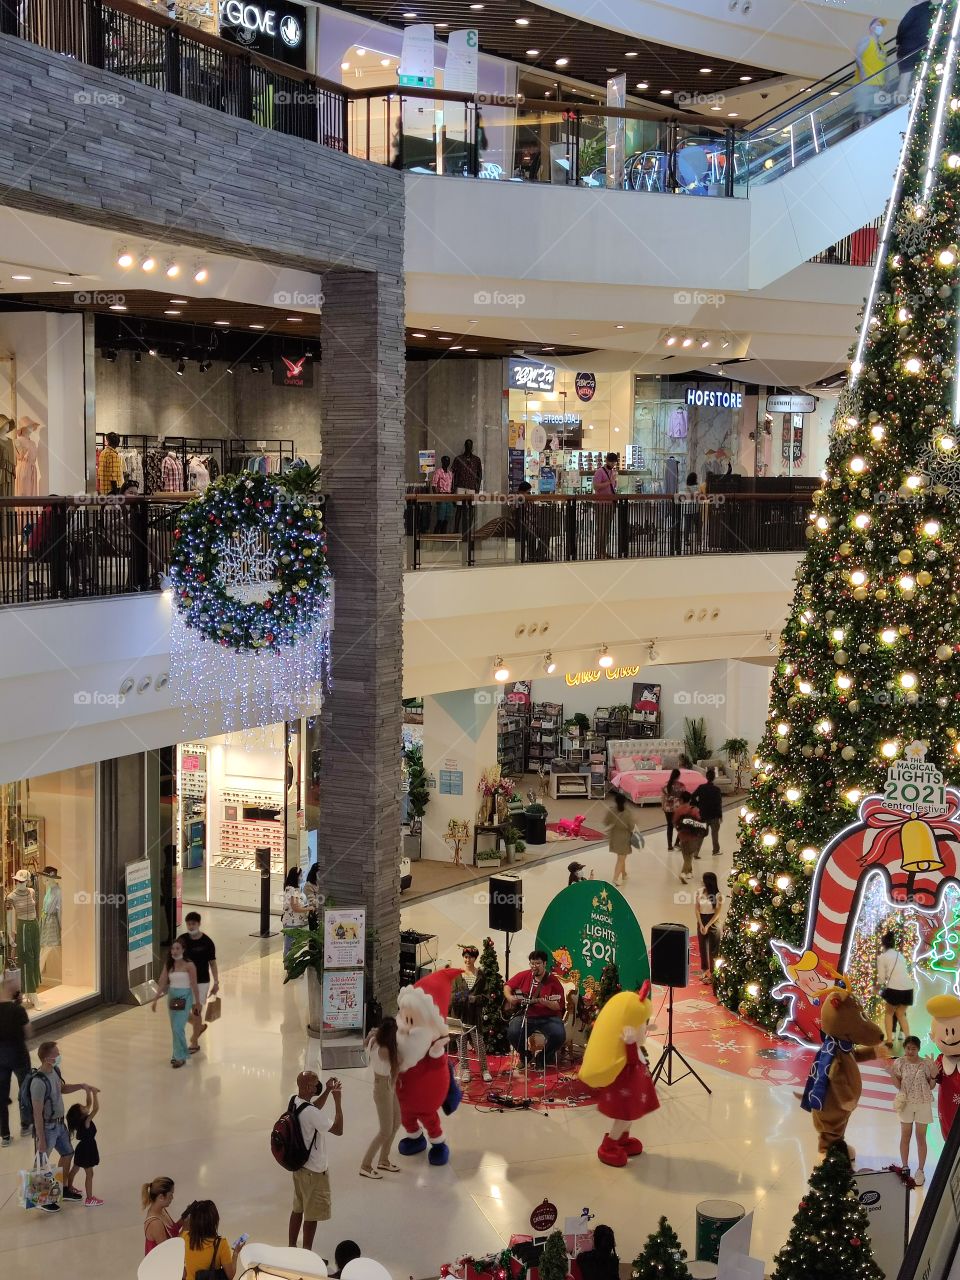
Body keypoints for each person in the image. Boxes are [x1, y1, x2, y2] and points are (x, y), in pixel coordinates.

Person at [30, 1039, 97, 1208]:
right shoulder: (38, 1082)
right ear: (47, 1058)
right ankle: (42, 1199)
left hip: (60, 1124)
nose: (59, 1056)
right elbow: (37, 1113)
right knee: (42, 1159)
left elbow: (62, 1088)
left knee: (67, 1153)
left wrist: (81, 1086)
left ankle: (63, 1187)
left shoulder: (55, 1071)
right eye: (56, 1054)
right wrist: (41, 1139)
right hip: (47, 1126)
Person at [288, 1069, 344, 1250]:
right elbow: (338, 1129)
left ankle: (291, 1246)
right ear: (307, 1087)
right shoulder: (311, 1112)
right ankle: (307, 1255)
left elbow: (311, 1109)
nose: (317, 1086)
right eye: (315, 1084)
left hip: (299, 1168)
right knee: (311, 1216)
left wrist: (327, 1091)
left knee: (298, 1208)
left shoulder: (294, 1101)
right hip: (314, 1171)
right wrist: (337, 1101)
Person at [887, 1035, 937, 1185]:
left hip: (923, 1103)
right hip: (906, 1103)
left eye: (913, 1048)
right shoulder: (899, 1062)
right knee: (905, 1136)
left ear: (918, 1049)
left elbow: (931, 1086)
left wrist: (934, 1075)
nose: (910, 1051)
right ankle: (905, 1167)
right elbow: (898, 1085)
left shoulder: (926, 1064)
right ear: (904, 1048)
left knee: (921, 1138)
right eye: (908, 1048)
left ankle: (920, 1170)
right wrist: (891, 1074)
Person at [503, 950, 566, 1065]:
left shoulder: (553, 981)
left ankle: (542, 1058)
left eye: (537, 963)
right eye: (532, 963)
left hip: (548, 1017)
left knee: (559, 1035)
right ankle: (525, 1055)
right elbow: (507, 986)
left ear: (545, 964)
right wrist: (510, 998)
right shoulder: (524, 975)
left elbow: (559, 1005)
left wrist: (547, 1003)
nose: (534, 966)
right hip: (526, 1015)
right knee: (512, 1032)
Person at [360, 1017, 402, 1178]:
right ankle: (365, 1165)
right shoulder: (385, 1050)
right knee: (385, 1130)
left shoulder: (373, 1040)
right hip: (384, 1088)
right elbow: (400, 1062)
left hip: (387, 1085)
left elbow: (365, 1042)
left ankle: (384, 1159)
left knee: (396, 1122)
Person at [150, 940, 201, 1068]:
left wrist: (197, 1002)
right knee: (175, 1028)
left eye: (178, 948)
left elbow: (194, 984)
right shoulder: (169, 964)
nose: (175, 951)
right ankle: (177, 1054)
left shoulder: (189, 965)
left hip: (185, 996)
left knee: (178, 1027)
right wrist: (156, 998)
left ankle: (180, 1056)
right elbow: (162, 981)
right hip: (172, 996)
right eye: (173, 949)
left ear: (183, 950)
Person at [177, 911, 219, 1055]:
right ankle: (199, 1026)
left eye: (193, 923)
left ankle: (194, 1042)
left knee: (196, 1011)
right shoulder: (182, 940)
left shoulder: (207, 942)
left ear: (199, 924)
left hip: (202, 982)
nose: (190, 926)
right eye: (188, 924)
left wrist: (216, 982)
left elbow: (212, 963)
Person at [450, 945, 492, 1084]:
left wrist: (476, 998)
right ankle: (465, 1070)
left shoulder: (480, 975)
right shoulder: (457, 975)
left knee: (479, 1042)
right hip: (460, 1014)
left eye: (470, 957)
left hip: (474, 1015)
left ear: (475, 958)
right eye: (466, 957)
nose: (468, 960)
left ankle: (484, 1070)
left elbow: (486, 996)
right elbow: (451, 995)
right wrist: (459, 997)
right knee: (461, 1043)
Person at [0, 976, 30, 1146]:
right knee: (24, 1090)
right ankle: (25, 1125)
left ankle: (4, 1134)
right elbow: (29, 1032)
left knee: (1, 1095)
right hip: (18, 1055)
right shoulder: (18, 1010)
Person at [181, 1199, 238, 1280]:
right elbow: (230, 1275)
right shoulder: (221, 1243)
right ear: (214, 1220)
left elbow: (174, 1256)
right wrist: (235, 1253)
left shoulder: (185, 1237)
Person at [65, 1089, 102, 1206]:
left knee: (75, 1169)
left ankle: (69, 1187)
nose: (86, 1107)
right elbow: (95, 1108)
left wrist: (88, 1092)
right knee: (89, 1174)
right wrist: (95, 1094)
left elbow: (89, 1104)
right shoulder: (86, 1121)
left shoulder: (80, 1121)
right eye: (83, 1108)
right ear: (81, 1115)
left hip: (82, 1149)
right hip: (87, 1150)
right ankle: (90, 1199)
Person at [878, 931, 914, 1046]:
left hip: (894, 988)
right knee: (901, 1013)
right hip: (908, 989)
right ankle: (909, 1039)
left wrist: (878, 986)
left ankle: (889, 1041)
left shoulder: (882, 957)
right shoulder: (900, 955)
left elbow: (882, 979)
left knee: (889, 1013)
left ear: (883, 945)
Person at [854, 17, 889, 128]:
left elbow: (885, 65)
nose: (880, 27)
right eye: (877, 25)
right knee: (863, 109)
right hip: (865, 83)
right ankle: (861, 128)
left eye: (881, 26)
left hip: (879, 85)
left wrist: (886, 81)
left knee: (876, 112)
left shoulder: (882, 46)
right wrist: (863, 73)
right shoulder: (867, 40)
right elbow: (858, 56)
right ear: (871, 28)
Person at [896, 1, 933, 101]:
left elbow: (902, 27)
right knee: (918, 78)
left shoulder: (915, 10)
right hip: (923, 49)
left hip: (907, 50)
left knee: (905, 78)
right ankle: (916, 101)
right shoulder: (933, 11)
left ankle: (901, 103)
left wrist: (898, 43)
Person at [603, 792, 636, 887]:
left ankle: (624, 874)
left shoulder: (611, 811)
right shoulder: (627, 813)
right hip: (624, 837)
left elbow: (606, 822)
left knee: (621, 857)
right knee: (621, 858)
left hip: (614, 836)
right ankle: (615, 878)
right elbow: (632, 826)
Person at [695, 872, 723, 981]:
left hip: (713, 921)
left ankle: (713, 972)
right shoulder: (699, 892)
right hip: (701, 920)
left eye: (703, 879)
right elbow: (697, 909)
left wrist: (708, 925)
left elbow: (717, 913)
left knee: (713, 949)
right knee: (702, 947)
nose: (701, 881)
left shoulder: (718, 895)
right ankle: (705, 970)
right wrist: (701, 924)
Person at [143, 1176, 182, 1255]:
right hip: (159, 1264)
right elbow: (168, 1251)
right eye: (171, 1195)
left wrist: (184, 1219)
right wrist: (186, 1230)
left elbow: (173, 1231)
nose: (172, 1198)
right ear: (161, 1197)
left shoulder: (162, 1210)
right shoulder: (155, 1223)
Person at [674, 791, 706, 884]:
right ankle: (683, 873)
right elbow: (698, 820)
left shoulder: (678, 810)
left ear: (681, 800)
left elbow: (675, 822)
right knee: (690, 855)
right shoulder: (694, 809)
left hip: (682, 835)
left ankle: (689, 872)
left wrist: (680, 830)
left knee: (685, 854)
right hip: (693, 835)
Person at [691, 767, 724, 856]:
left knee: (701, 834)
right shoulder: (717, 790)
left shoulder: (701, 788)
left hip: (703, 814)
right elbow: (718, 803)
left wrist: (698, 805)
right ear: (714, 778)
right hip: (714, 815)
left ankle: (696, 852)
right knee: (715, 834)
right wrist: (720, 815)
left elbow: (692, 797)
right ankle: (715, 851)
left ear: (706, 777)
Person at [452, 439, 483, 533]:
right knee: (459, 508)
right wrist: (453, 488)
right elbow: (453, 474)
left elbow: (480, 475)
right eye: (467, 445)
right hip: (460, 486)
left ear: (472, 447)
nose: (468, 447)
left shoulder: (476, 459)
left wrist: (477, 487)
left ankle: (469, 530)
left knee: (471, 507)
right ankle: (456, 530)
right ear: (465, 446)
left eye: (470, 445)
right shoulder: (458, 459)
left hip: (471, 486)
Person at [592, 452, 618, 558]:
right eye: (611, 462)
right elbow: (596, 487)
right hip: (601, 504)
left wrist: (613, 483)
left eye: (614, 462)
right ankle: (599, 552)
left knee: (607, 529)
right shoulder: (599, 472)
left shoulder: (612, 472)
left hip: (610, 504)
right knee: (601, 529)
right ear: (607, 461)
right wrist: (609, 482)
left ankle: (603, 550)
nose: (612, 464)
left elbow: (613, 485)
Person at [282, 867, 309, 956]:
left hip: (291, 921)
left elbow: (295, 905)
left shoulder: (289, 888)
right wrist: (309, 908)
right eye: (301, 875)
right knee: (290, 946)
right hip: (292, 923)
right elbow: (295, 908)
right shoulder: (293, 890)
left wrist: (305, 906)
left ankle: (288, 965)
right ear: (296, 877)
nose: (302, 877)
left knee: (290, 945)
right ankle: (288, 966)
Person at [660, 767, 683, 850]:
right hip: (677, 808)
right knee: (681, 826)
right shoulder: (681, 786)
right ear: (678, 776)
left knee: (669, 826)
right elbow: (682, 798)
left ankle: (669, 846)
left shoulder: (665, 786)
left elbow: (662, 797)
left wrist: (663, 806)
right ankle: (677, 843)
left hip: (668, 808)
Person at [431, 455, 454, 533]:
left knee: (448, 517)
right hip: (441, 495)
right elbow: (433, 485)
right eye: (445, 461)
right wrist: (436, 497)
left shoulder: (450, 473)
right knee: (441, 517)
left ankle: (443, 534)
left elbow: (452, 485)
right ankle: (436, 533)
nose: (447, 462)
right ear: (442, 461)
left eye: (448, 461)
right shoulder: (438, 472)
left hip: (449, 496)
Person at [97, 430, 123, 495]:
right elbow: (113, 476)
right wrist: (116, 492)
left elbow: (99, 473)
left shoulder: (103, 453)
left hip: (103, 489)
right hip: (111, 490)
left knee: (105, 504)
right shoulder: (113, 455)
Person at [303, 861, 323, 928]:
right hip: (312, 910)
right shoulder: (308, 885)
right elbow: (311, 900)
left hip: (316, 909)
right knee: (314, 928)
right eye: (318, 873)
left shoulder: (315, 883)